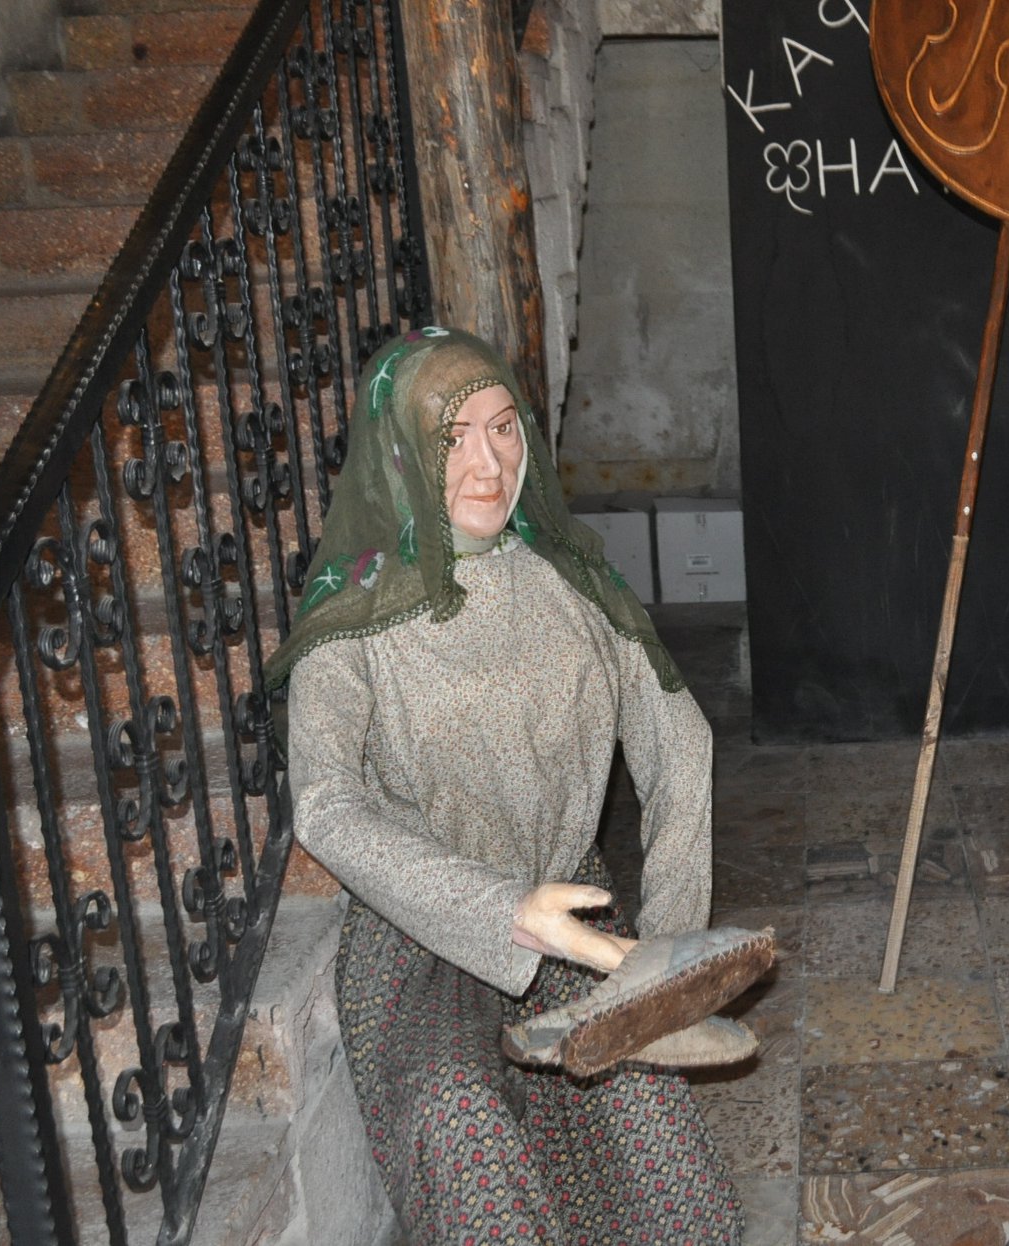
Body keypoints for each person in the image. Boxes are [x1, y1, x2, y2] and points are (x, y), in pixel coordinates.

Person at [269, 327, 746, 1243]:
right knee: (461, 1124)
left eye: (504, 430)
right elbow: (325, 802)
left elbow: (680, 740)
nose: (488, 464)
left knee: (656, 1156)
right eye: (454, 439)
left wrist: (665, 961)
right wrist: (503, 913)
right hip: (421, 940)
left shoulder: (574, 583)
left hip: (577, 926)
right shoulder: (354, 616)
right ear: (403, 452)